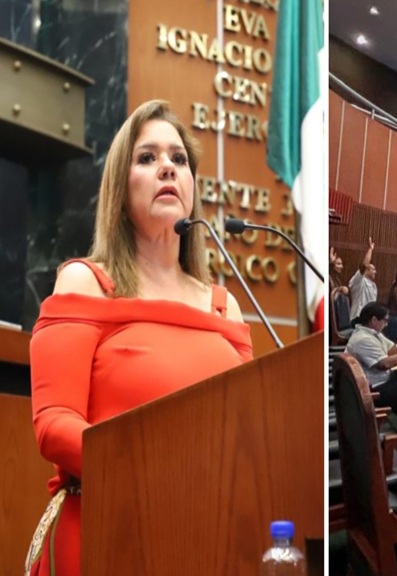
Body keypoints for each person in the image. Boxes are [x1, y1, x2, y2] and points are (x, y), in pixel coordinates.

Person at [27, 100, 253, 576]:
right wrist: (153, 467)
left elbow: (250, 434)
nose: (167, 167)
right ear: (119, 188)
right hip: (110, 530)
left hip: (209, 537)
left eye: (179, 159)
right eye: (147, 158)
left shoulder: (223, 305)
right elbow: (54, 423)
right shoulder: (85, 282)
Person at [347, 303, 397, 422]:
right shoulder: (363, 339)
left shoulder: (374, 334)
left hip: (386, 381)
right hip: (376, 389)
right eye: (385, 320)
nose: (387, 324)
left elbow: (392, 351)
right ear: (374, 320)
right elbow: (384, 364)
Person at [349, 237, 378, 318]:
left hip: (368, 321)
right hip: (357, 319)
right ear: (366, 271)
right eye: (373, 269)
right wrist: (370, 249)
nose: (375, 272)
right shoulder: (359, 281)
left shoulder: (374, 286)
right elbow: (364, 265)